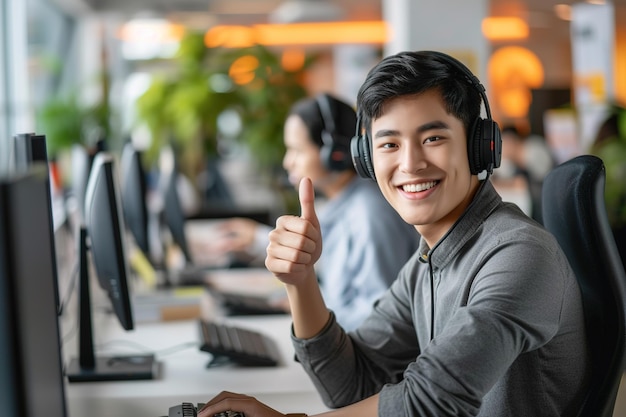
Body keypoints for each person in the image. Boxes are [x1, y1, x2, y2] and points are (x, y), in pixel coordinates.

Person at [198, 51, 590, 417]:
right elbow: (349, 385)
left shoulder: (519, 253)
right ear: (367, 159)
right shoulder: (427, 264)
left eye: (433, 138)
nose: (410, 163)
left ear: (479, 146)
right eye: (389, 144)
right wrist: (301, 282)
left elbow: (432, 401)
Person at [214, 93, 420, 331]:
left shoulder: (369, 215)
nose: (287, 162)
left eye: (297, 151)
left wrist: (310, 310)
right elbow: (338, 284)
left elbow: (378, 318)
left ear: (335, 153)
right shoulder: (345, 203)